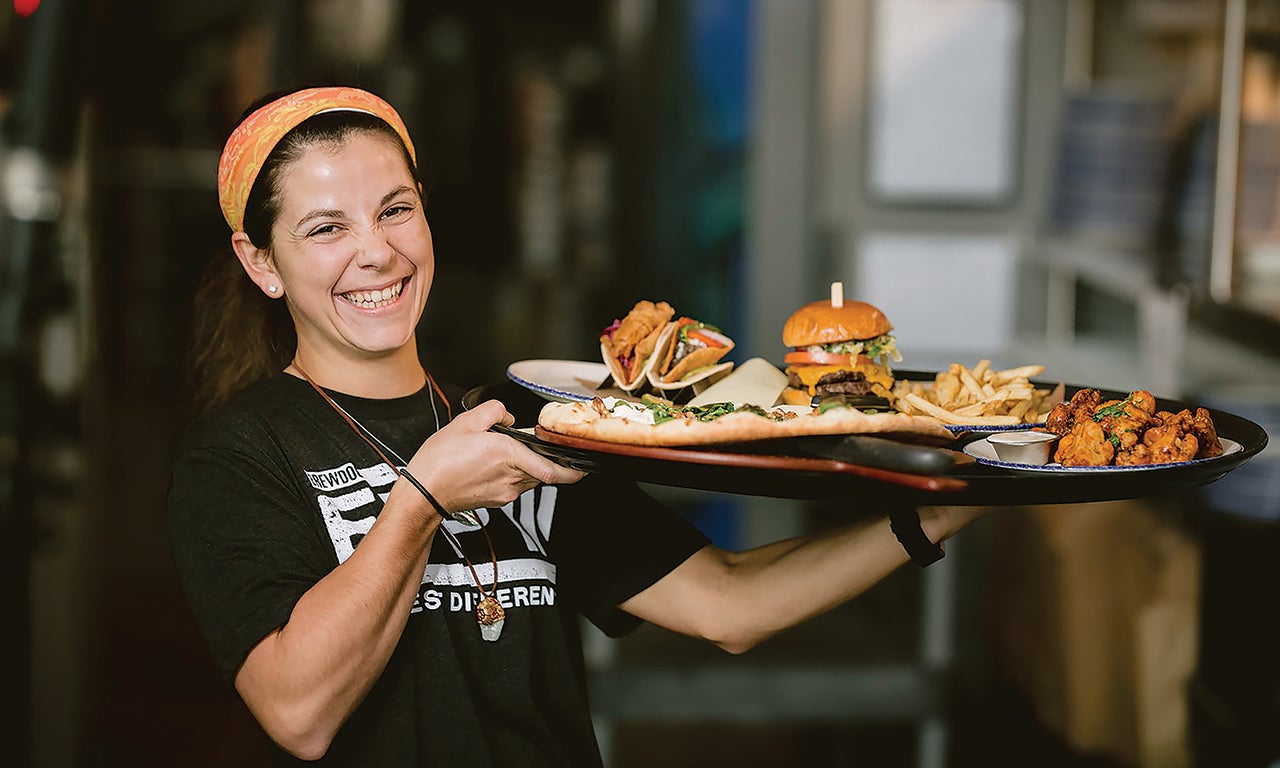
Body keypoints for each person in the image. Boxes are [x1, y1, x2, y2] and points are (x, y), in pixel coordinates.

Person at [167, 85, 985, 766]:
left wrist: (940, 508)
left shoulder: (530, 425)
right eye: (326, 228)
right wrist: (419, 502)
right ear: (261, 263)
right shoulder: (239, 454)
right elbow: (298, 714)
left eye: (396, 209)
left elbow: (730, 605)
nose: (376, 251)